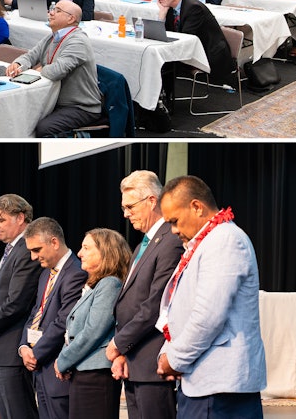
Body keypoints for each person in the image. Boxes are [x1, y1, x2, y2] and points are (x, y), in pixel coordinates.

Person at [156, 176, 267, 419]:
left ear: (197, 207)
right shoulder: (208, 242)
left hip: (219, 389)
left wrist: (174, 359)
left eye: (175, 221)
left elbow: (208, 316)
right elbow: (181, 309)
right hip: (204, 384)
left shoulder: (225, 239)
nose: (173, 230)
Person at [105, 171, 184, 419]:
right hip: (135, 361)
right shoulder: (143, 245)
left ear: (152, 200)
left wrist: (118, 344)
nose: (125, 214)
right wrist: (124, 353)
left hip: (152, 364)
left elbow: (155, 304)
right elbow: (129, 303)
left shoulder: (171, 241)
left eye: (130, 206)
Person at [55, 229, 130, 419]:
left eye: (86, 248)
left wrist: (62, 361)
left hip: (96, 377)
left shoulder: (110, 284)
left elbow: (93, 332)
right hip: (84, 373)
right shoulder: (97, 285)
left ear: (106, 253)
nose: (79, 253)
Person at [0, 194, 40, 419]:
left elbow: (16, 302)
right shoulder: (12, 249)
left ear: (20, 218)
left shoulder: (26, 249)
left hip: (12, 349)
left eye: (0, 220)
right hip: (1, 348)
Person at [19, 217, 88, 419]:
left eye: (37, 250)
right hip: (40, 371)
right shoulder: (45, 274)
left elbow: (64, 321)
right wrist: (23, 347)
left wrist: (35, 353)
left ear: (54, 242)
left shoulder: (76, 273)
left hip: (57, 372)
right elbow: (35, 314)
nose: (33, 257)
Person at [6, 1, 103, 137]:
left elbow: (57, 71)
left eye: (57, 11)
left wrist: (40, 69)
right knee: (18, 115)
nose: (50, 13)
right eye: (52, 9)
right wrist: (17, 64)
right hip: (53, 99)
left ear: (71, 19)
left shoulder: (78, 41)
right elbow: (31, 56)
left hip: (80, 106)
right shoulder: (53, 37)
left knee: (43, 127)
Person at [156, 0, 234, 84]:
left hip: (210, 54)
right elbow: (163, 34)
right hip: (192, 49)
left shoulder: (194, 8)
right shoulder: (170, 7)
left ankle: (165, 94)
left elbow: (185, 38)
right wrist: (162, 14)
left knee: (161, 61)